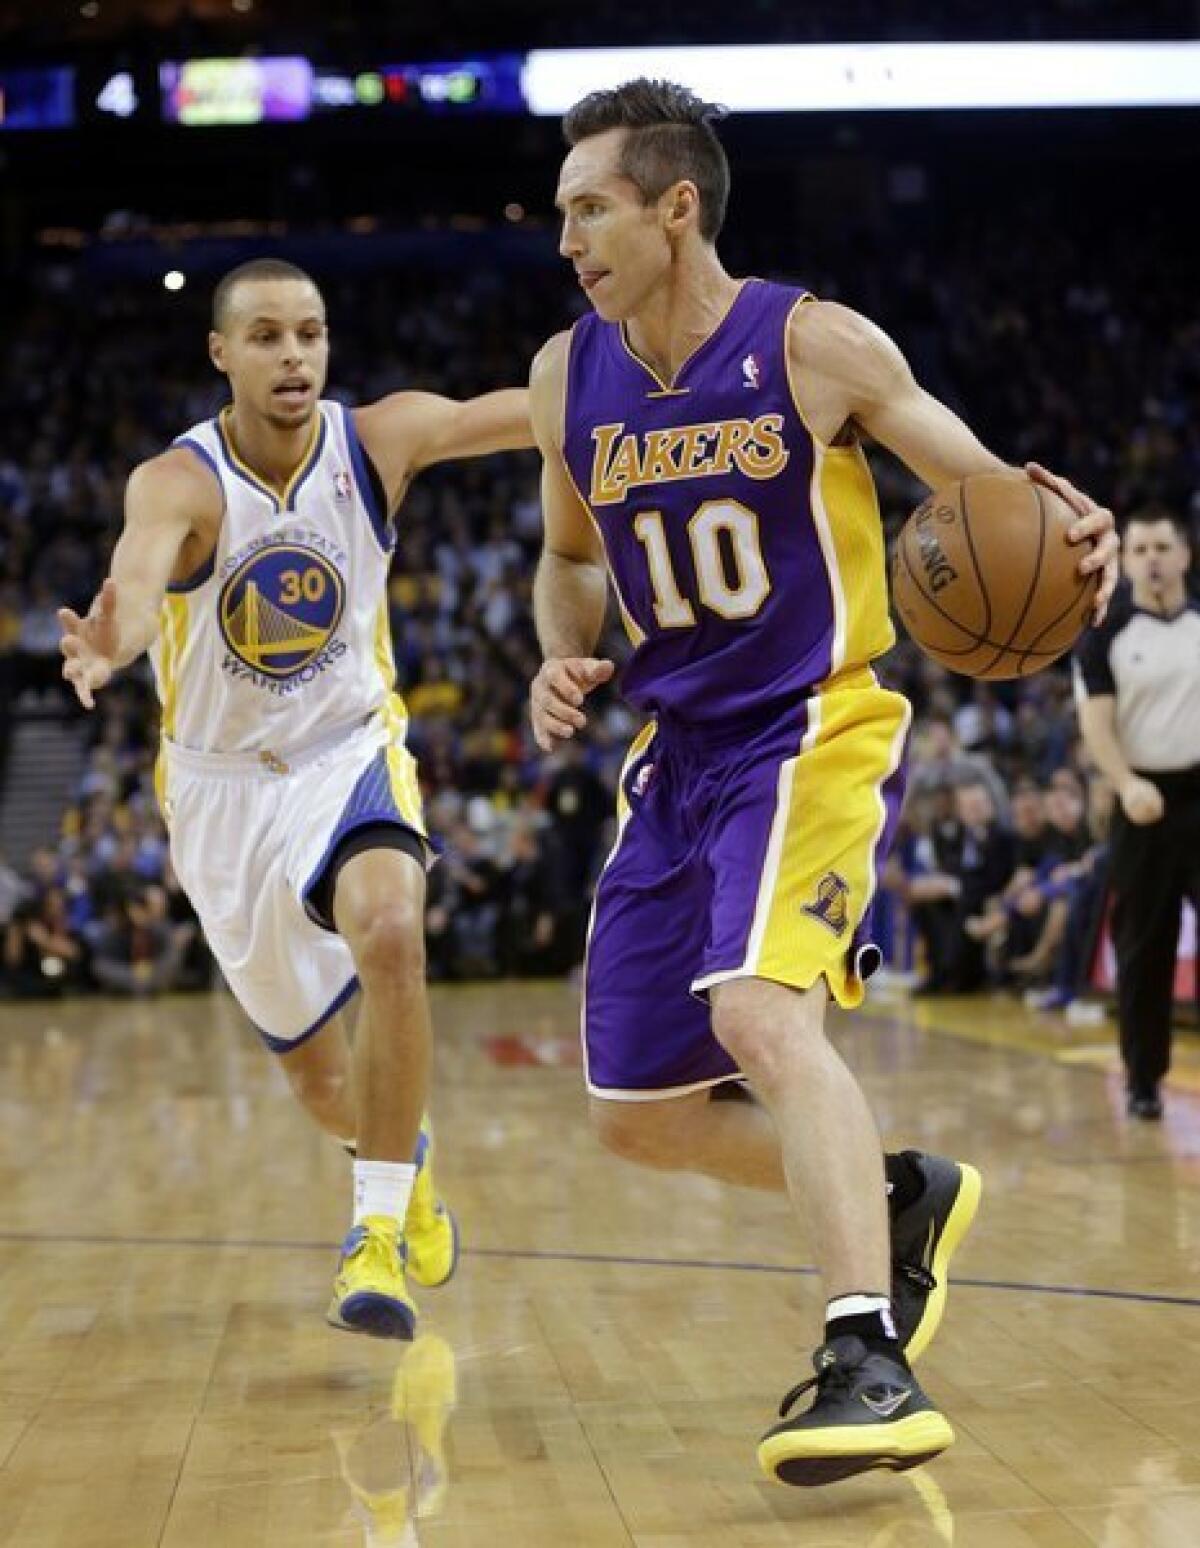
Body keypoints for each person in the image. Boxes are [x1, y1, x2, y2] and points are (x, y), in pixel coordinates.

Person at [527, 80, 1119, 1486]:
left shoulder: (815, 346)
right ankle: (903, 1199)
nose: (567, 241)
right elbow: (565, 559)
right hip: (670, 758)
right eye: (561, 214)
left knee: (757, 1011)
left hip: (808, 729)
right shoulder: (568, 377)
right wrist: (563, 656)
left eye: (590, 208)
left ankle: (869, 1354)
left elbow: (986, 497)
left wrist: (1069, 531)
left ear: (678, 208)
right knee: (636, 1115)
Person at [58, 257, 534, 1336]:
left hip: (346, 750)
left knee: (391, 931)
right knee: (327, 1089)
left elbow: (530, 413)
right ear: (221, 353)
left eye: (310, 334)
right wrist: (110, 644)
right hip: (221, 795)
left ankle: (370, 1242)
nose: (294, 356)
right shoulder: (178, 482)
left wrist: (636, 371)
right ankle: (403, 1166)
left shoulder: (377, 440)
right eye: (267, 336)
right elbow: (136, 587)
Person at [1075, 507, 1200, 1120]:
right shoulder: (1105, 633)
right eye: (1140, 548)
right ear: (1125, 564)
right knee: (1144, 947)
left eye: (1162, 546)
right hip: (1143, 799)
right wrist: (1124, 783)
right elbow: (1096, 721)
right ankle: (1143, 1079)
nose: (1152, 557)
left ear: (1184, 557)